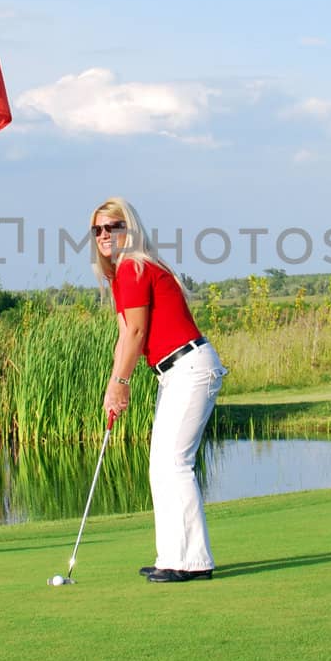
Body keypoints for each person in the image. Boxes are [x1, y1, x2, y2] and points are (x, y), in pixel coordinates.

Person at [91, 196, 227, 583]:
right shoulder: (122, 273)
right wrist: (113, 387)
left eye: (112, 227)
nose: (104, 235)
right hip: (175, 371)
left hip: (189, 366)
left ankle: (193, 562)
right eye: (98, 229)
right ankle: (172, 556)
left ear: (128, 229)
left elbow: (137, 333)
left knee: (174, 464)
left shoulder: (135, 266)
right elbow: (124, 335)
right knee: (161, 466)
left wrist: (121, 382)